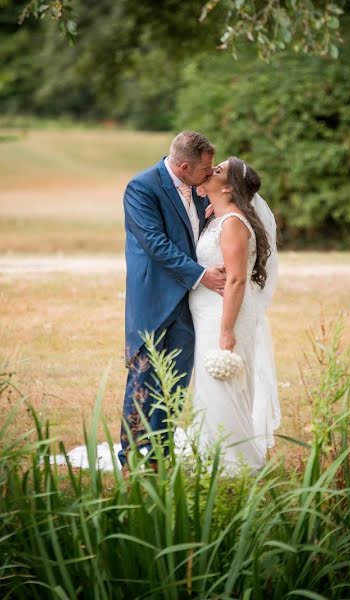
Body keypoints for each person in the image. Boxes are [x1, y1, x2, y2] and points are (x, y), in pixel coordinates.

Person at [119, 131, 226, 466]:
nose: (210, 174)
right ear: (183, 167)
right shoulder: (142, 188)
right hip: (155, 296)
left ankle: (161, 455)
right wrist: (201, 275)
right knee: (144, 375)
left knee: (175, 381)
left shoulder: (199, 191)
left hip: (191, 301)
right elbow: (155, 243)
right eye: (205, 169)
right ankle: (132, 457)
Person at [189, 157, 280, 472]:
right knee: (210, 387)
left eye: (218, 170)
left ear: (228, 186)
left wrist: (226, 330)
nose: (209, 171)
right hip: (208, 315)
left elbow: (238, 279)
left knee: (223, 387)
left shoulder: (233, 224)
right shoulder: (221, 218)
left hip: (222, 317)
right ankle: (210, 453)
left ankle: (235, 463)